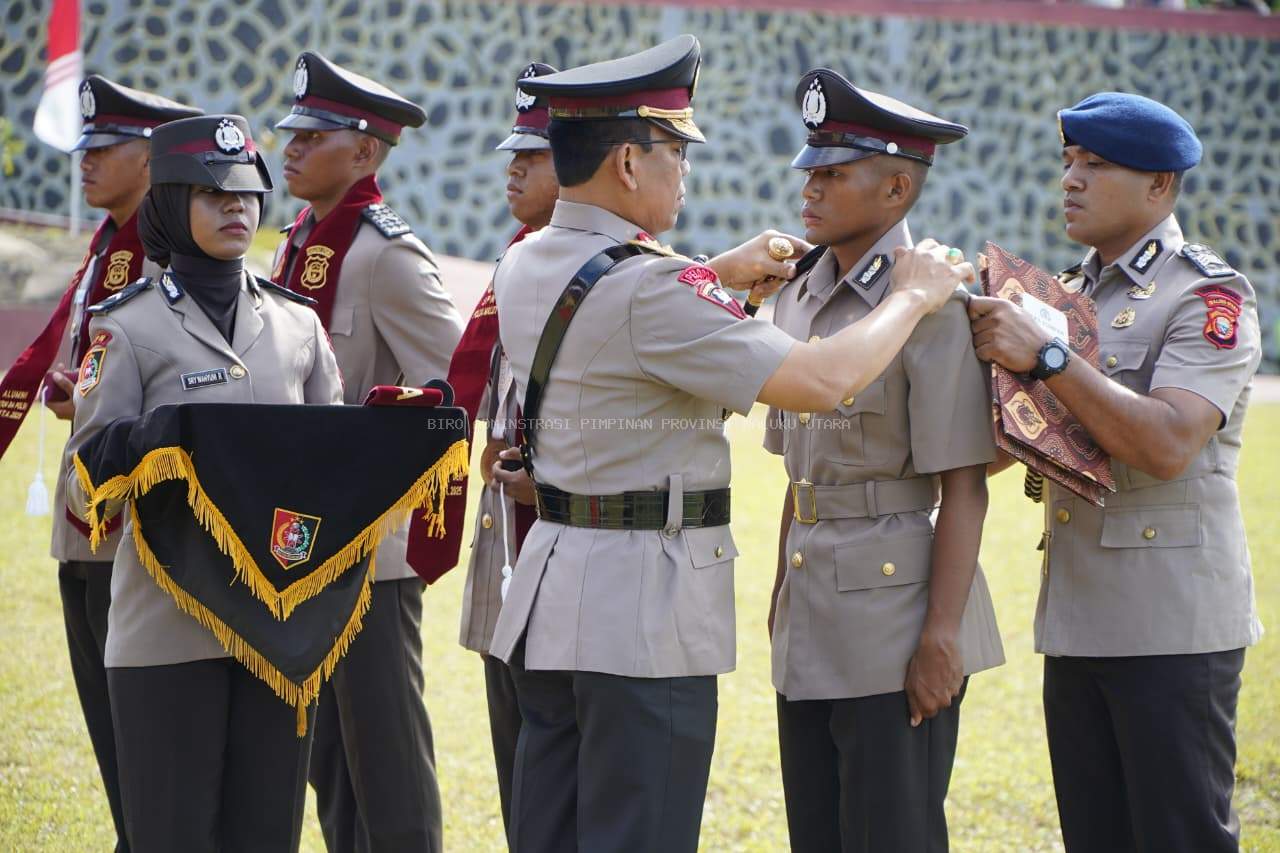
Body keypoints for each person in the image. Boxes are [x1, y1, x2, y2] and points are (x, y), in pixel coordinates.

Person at [485, 35, 976, 852]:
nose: (685, 173)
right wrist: (913, 296)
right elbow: (822, 379)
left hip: (552, 597)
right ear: (630, 164)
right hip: (640, 621)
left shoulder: (527, 263)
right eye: (676, 152)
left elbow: (609, 317)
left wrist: (715, 277)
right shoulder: (657, 287)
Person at [967, 92, 1262, 853]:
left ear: (1159, 184)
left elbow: (1168, 443)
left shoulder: (1207, 293)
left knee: (1178, 837)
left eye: (1096, 164)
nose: (1071, 178)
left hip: (1171, 629)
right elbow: (1013, 440)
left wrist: (1048, 356)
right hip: (1079, 620)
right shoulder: (1063, 295)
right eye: (1069, 161)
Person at [63, 114, 344, 853]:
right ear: (169, 201)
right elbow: (81, 487)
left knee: (266, 835)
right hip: (166, 629)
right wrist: (149, 440)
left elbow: (332, 459)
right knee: (172, 835)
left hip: (279, 632)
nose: (235, 207)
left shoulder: (297, 324)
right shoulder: (126, 327)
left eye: (246, 193)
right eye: (212, 193)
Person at [765, 69, 1005, 853]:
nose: (810, 186)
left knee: (892, 833)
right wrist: (779, 594)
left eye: (835, 173)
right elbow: (798, 479)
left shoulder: (930, 307)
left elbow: (963, 487)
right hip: (810, 611)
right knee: (817, 834)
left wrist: (943, 635)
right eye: (810, 168)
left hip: (896, 622)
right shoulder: (799, 293)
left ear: (897, 188)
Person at [272, 51, 463, 853]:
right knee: (329, 762)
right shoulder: (297, 243)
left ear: (362, 151)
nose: (290, 148)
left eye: (311, 136)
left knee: (388, 760)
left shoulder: (386, 254)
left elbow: (455, 387)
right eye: (292, 133)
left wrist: (371, 451)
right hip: (299, 541)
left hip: (369, 551)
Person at [46, 76, 200, 852]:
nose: (87, 161)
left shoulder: (168, 256)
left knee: (143, 734)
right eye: (86, 148)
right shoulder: (108, 244)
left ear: (147, 159)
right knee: (111, 735)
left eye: (104, 148)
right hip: (84, 519)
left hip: (131, 527)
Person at [452, 60, 559, 832]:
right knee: (516, 775)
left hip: (557, 544)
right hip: (507, 539)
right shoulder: (518, 255)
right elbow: (474, 378)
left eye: (533, 154)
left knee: (551, 785)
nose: (512, 169)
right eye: (512, 153)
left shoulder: (606, 268)